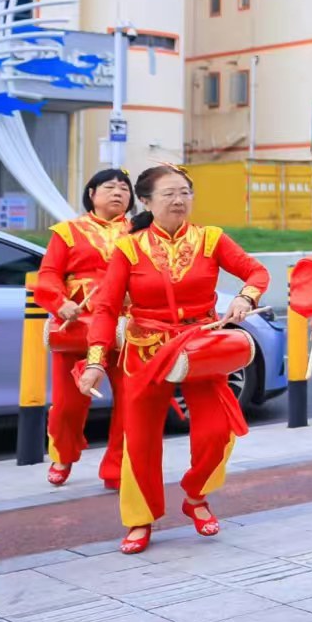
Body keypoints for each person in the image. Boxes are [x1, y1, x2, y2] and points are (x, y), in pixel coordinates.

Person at [79, 166, 269, 554]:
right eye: (168, 194)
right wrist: (97, 360)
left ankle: (196, 496)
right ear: (146, 201)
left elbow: (256, 271)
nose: (179, 200)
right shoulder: (129, 248)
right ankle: (140, 519)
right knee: (142, 440)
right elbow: (105, 308)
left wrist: (244, 298)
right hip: (144, 349)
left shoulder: (211, 239)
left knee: (218, 430)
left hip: (199, 347)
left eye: (185, 192)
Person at [35, 169, 134, 488]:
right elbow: (48, 275)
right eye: (109, 187)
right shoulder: (67, 232)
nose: (118, 192)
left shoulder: (140, 232)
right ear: (91, 193)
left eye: (124, 188)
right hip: (77, 324)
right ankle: (63, 453)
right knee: (67, 404)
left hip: (126, 325)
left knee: (130, 402)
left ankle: (115, 468)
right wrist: (58, 301)